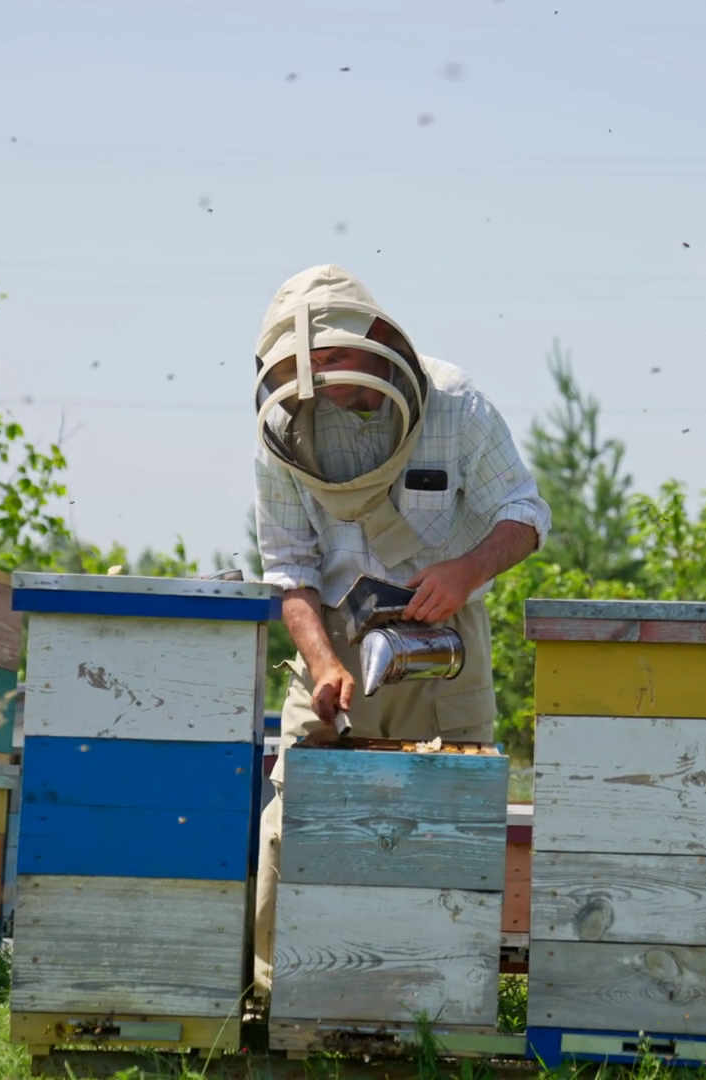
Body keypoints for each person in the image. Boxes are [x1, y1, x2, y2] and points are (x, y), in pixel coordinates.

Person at [248, 264, 551, 1000]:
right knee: (295, 818)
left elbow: (525, 511)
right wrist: (323, 662)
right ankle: (281, 1001)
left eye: (335, 359)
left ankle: (434, 1004)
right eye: (308, 367)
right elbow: (289, 571)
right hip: (333, 643)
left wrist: (466, 571)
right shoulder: (280, 434)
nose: (323, 382)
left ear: (379, 335)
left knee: (446, 821)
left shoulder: (456, 402)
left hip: (443, 639)